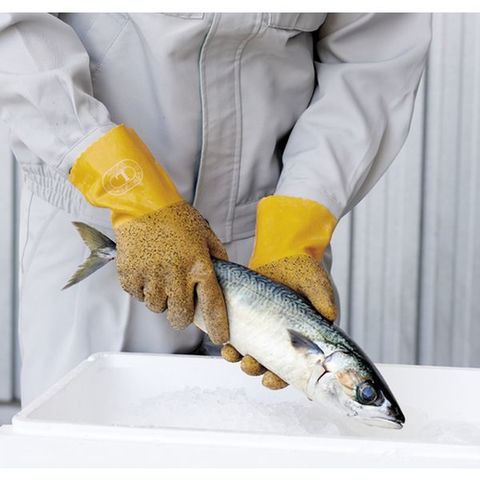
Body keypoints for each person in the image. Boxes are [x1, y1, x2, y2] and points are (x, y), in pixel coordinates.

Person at [0, 13, 431, 405]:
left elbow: (374, 62)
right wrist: (126, 188)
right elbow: (16, 28)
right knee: (88, 440)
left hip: (267, 244)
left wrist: (295, 231)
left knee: (261, 447)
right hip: (105, 216)